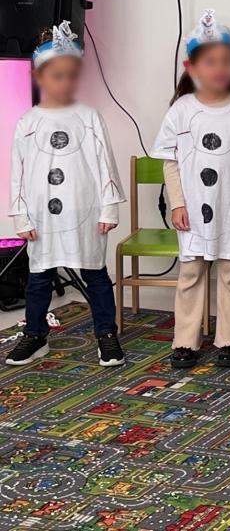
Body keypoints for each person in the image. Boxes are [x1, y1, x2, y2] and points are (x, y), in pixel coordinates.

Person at [6, 22, 125, 367]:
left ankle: (107, 335)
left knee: (95, 274)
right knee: (39, 278)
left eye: (70, 75)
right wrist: (21, 215)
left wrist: (109, 210)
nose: (64, 82)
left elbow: (105, 164)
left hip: (85, 212)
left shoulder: (89, 118)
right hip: (41, 216)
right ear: (38, 76)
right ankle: (35, 335)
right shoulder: (28, 122)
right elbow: (18, 173)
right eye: (55, 75)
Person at [153, 9, 230, 370]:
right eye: (210, 62)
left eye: (225, 62)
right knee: (191, 274)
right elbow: (170, 162)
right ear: (192, 67)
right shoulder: (180, 112)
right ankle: (185, 341)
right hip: (193, 208)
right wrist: (177, 203)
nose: (218, 69)